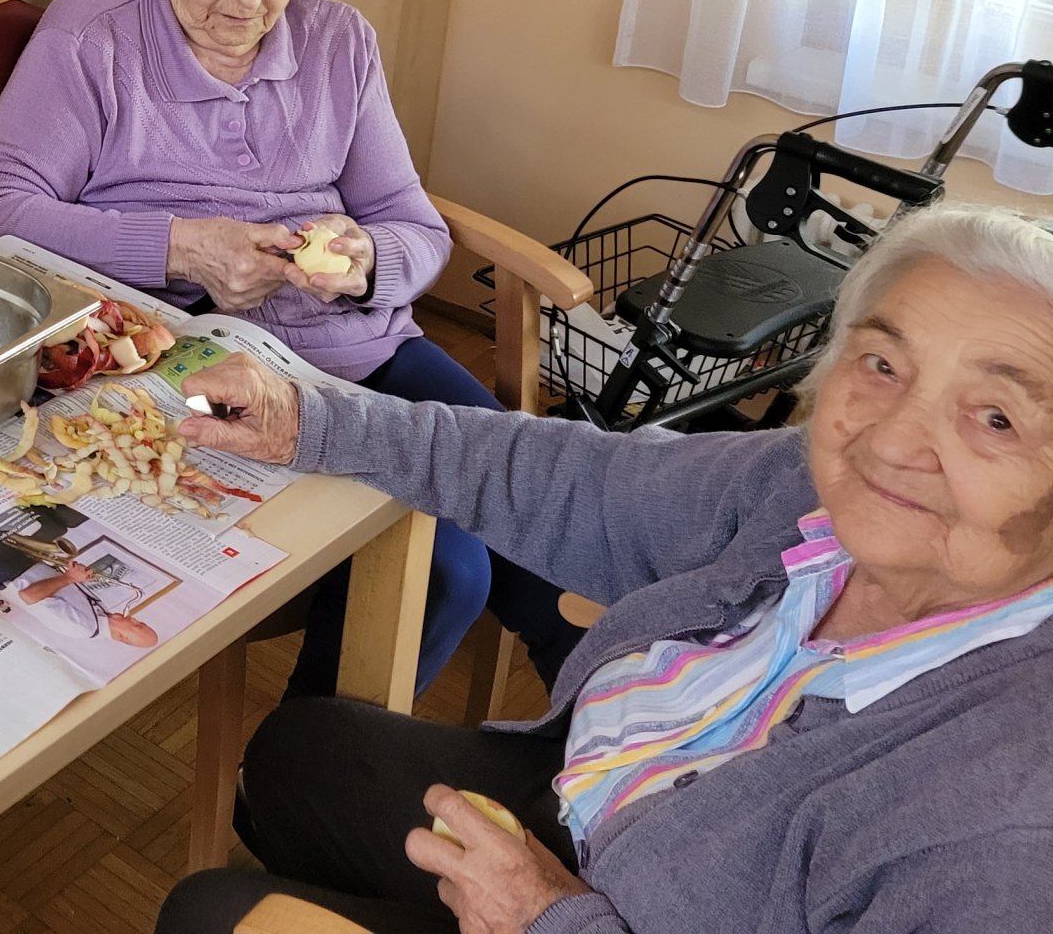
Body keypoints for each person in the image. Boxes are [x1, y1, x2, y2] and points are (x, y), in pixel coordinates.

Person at [159, 202, 1053, 934]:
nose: (892, 440)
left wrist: (546, 918)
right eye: (884, 363)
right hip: (598, 796)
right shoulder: (799, 488)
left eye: (996, 418)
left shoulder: (1011, 836)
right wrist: (311, 421)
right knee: (296, 754)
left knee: (210, 915)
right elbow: (573, 478)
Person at [0, 0, 569, 696]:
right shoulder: (92, 37)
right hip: (191, 364)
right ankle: (297, 771)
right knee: (449, 567)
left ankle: (620, 752)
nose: (249, 2)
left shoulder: (339, 40)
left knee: (541, 502)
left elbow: (413, 222)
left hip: (361, 353)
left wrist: (367, 261)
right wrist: (179, 248)